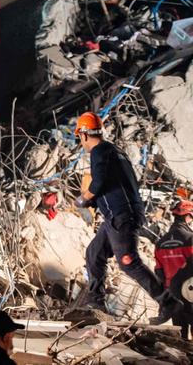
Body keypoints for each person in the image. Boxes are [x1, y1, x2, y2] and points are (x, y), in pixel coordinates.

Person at [74, 111, 170, 321]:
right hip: (119, 215)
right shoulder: (115, 151)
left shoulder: (99, 151)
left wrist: (83, 199)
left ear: (83, 135)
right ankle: (95, 301)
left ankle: (168, 301)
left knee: (128, 261)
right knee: (94, 253)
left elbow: (97, 183)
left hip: (120, 215)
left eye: (79, 137)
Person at [155, 200, 193, 338]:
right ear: (188, 216)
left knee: (181, 335)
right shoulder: (190, 238)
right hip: (190, 293)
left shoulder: (160, 243)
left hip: (173, 294)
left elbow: (159, 272)